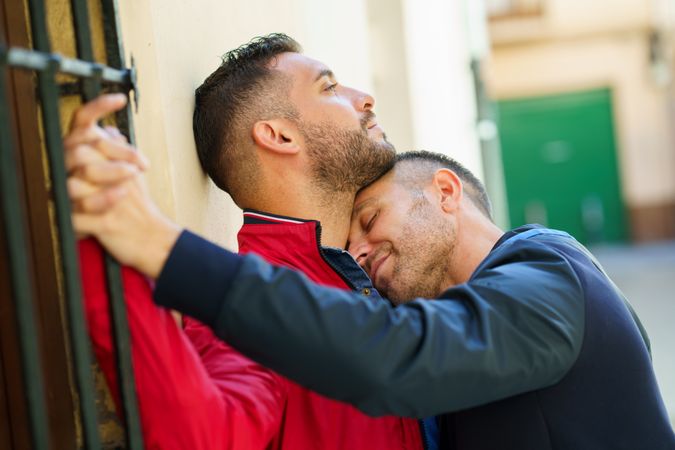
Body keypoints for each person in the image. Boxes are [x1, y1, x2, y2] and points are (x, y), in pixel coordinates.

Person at [71, 129, 675, 449]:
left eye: (370, 219)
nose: (357, 249)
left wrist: (163, 250)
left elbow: (399, 355)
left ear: (444, 193)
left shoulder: (550, 267)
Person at [70, 34, 426, 449]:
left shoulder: (380, 272)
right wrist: (100, 232)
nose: (364, 98)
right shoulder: (241, 309)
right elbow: (202, 436)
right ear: (278, 136)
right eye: (329, 87)